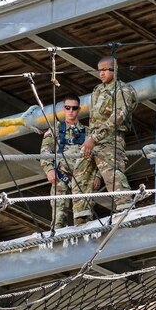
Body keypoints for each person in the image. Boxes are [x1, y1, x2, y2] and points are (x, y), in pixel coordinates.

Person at [80, 56, 137, 217]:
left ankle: (125, 208)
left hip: (110, 139)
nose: (102, 73)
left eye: (106, 70)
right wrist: (91, 138)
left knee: (112, 175)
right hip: (94, 140)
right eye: (100, 70)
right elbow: (94, 119)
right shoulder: (97, 90)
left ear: (115, 70)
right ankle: (81, 216)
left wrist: (94, 138)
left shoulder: (123, 90)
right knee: (81, 175)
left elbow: (118, 117)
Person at [40, 94, 96, 228]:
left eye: (74, 108)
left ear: (79, 109)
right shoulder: (55, 130)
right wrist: (49, 169)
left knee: (83, 217)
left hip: (83, 177)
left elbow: (97, 157)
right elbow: (45, 151)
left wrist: (97, 176)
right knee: (59, 218)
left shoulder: (88, 133)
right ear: (63, 109)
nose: (71, 111)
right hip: (61, 175)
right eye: (68, 107)